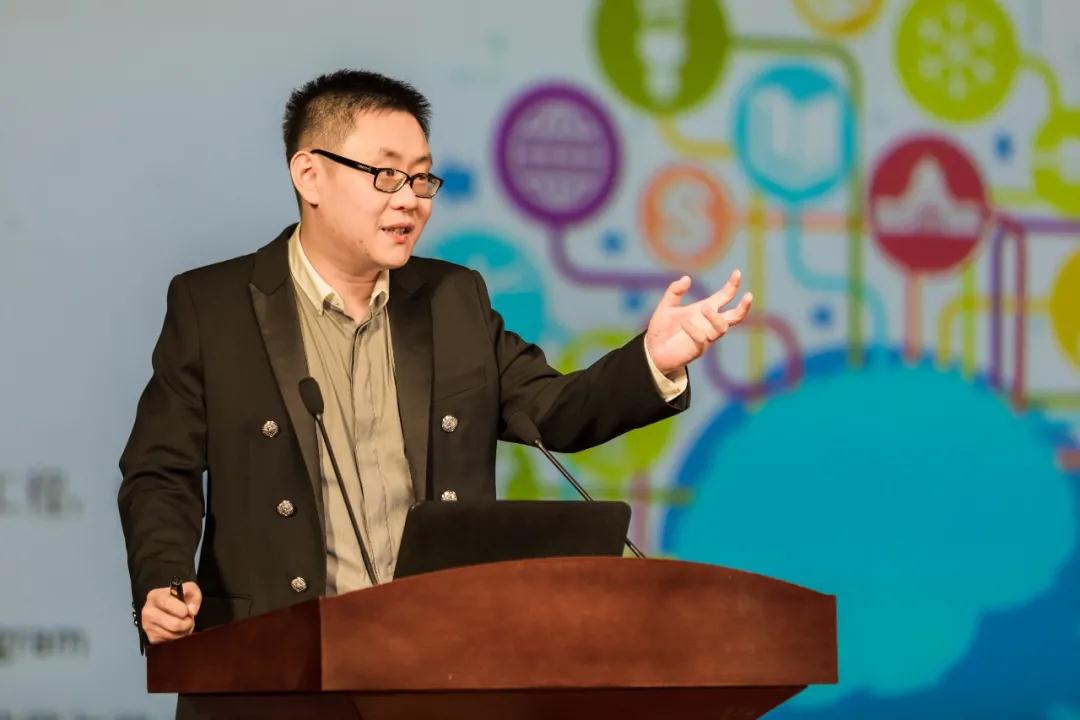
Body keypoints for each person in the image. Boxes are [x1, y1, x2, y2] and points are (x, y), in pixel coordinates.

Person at [118, 69, 753, 651]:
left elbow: (554, 410)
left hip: (435, 660)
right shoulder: (215, 306)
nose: (410, 200)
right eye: (386, 175)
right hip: (270, 664)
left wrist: (652, 359)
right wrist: (163, 580)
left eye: (422, 178)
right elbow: (160, 470)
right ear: (309, 175)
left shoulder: (453, 300)